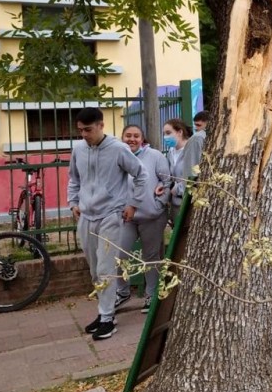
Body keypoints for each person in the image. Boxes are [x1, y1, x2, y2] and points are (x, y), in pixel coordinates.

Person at [68, 107, 147, 341]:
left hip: (111, 215)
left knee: (105, 268)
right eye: (80, 130)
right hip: (85, 216)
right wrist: (73, 201)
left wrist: (133, 204)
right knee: (94, 269)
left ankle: (107, 317)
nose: (84, 134)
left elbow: (141, 175)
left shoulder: (118, 149)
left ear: (101, 126)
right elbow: (74, 178)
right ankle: (104, 312)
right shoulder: (78, 148)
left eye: (88, 130)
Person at [115, 125, 171, 314]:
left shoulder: (155, 156)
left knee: (151, 257)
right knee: (119, 254)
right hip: (126, 218)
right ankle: (122, 292)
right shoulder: (117, 156)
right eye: (128, 135)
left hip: (151, 217)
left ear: (142, 138)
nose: (132, 139)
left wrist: (160, 203)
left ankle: (151, 294)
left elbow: (167, 180)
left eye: (136, 136)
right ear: (121, 137)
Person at [163, 118, 191, 224]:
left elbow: (193, 178)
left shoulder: (191, 150)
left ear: (180, 132)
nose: (165, 137)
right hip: (175, 205)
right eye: (164, 134)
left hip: (188, 205)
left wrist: (177, 189)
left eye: (168, 133)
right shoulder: (171, 152)